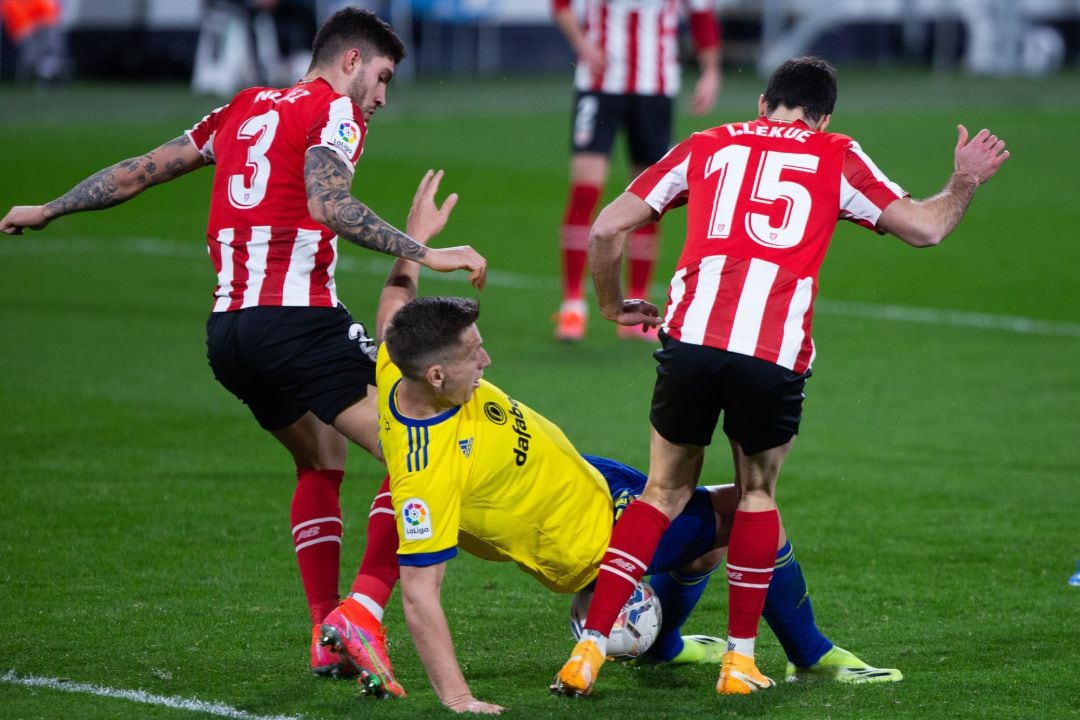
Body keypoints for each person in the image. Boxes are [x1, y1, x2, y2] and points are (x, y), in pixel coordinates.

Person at [0, 8, 486, 677]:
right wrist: (422, 250)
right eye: (381, 77)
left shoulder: (244, 108)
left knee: (321, 459)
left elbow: (145, 168)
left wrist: (50, 208)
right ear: (350, 61)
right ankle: (363, 611)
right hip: (295, 321)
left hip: (229, 337)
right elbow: (329, 204)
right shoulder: (334, 112)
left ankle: (323, 631)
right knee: (424, 448)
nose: (380, 96)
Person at [553, 55, 1009, 697]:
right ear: (824, 116)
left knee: (661, 492)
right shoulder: (837, 153)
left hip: (690, 339)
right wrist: (963, 180)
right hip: (770, 352)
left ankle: (589, 653)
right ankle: (741, 663)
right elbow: (925, 230)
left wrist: (607, 303)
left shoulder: (706, 143)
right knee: (756, 495)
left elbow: (605, 228)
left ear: (764, 102)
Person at [316, 233, 901, 713]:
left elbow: (394, 306)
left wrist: (414, 242)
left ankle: (664, 646)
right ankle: (812, 654)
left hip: (586, 477)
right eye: (475, 354)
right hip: (591, 537)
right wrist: (459, 698)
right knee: (747, 511)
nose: (487, 360)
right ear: (438, 376)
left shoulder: (399, 363)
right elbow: (421, 593)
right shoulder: (428, 471)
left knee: (699, 543)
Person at [551, 0, 721, 342]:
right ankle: (572, 305)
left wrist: (711, 72)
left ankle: (637, 306)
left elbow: (702, 16)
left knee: (649, 198)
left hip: (655, 88)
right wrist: (583, 45)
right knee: (586, 189)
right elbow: (561, 5)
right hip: (599, 85)